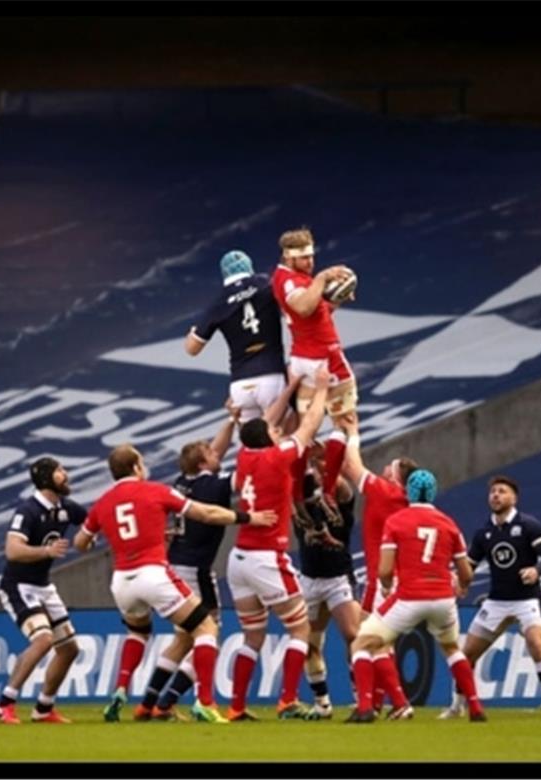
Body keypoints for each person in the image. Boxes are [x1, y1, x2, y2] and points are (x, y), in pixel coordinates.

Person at [73, 444, 277, 724]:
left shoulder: (103, 503)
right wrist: (247, 517)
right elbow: (206, 514)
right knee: (206, 628)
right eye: (141, 462)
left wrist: (111, 537)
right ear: (136, 467)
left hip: (121, 582)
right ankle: (205, 702)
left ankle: (124, 692)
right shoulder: (156, 490)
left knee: (140, 635)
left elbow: (80, 543)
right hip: (154, 575)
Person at [224, 365, 330, 721]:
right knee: (299, 628)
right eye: (272, 430)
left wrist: (290, 389)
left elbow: (261, 426)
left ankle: (237, 706)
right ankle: (287, 700)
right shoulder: (276, 456)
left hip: (238, 559)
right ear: (267, 438)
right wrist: (322, 390)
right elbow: (310, 424)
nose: (276, 428)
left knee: (252, 636)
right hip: (266, 556)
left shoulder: (244, 456)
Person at [344, 470, 484, 724]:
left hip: (409, 596)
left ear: (408, 492)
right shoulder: (448, 523)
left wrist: (386, 586)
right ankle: (475, 707)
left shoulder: (397, 521)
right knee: (452, 649)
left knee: (361, 643)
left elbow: (385, 570)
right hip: (442, 599)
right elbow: (466, 572)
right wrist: (462, 585)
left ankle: (365, 708)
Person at [137, 412, 239, 721]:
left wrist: (231, 421)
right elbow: (247, 469)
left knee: (183, 639)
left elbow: (214, 454)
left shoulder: (182, 482)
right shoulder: (214, 487)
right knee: (209, 634)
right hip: (196, 569)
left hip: (176, 564)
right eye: (211, 452)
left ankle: (149, 703)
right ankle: (175, 702)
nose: (217, 452)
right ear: (203, 463)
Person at [441, 475, 541, 720]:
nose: (496, 495)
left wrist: (535, 570)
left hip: (527, 600)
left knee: (536, 644)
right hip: (496, 601)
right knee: (467, 655)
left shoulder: (528, 525)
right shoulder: (484, 532)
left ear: (514, 497)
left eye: (502, 491)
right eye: (493, 492)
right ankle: (456, 706)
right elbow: (470, 565)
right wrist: (462, 583)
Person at [0, 458, 86, 725]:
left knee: (69, 649)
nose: (65, 474)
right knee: (43, 641)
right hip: (19, 586)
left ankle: (43, 708)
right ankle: (4, 703)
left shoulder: (65, 507)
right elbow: (12, 550)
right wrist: (46, 551)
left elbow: (94, 522)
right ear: (46, 478)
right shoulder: (28, 510)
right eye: (59, 471)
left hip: (44, 586)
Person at [270, 227, 356, 522]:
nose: (310, 263)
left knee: (306, 431)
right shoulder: (287, 280)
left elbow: (314, 313)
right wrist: (322, 279)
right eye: (304, 259)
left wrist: (336, 299)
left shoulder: (293, 277)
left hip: (303, 359)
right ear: (288, 258)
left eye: (311, 257)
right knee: (345, 425)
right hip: (325, 359)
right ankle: (329, 490)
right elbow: (304, 307)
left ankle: (299, 496)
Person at [338, 412, 414, 716]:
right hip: (399, 579)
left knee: (363, 640)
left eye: (390, 467)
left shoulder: (387, 492)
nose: (384, 469)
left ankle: (385, 703)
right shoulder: (403, 498)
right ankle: (383, 703)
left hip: (379, 578)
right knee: (381, 642)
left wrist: (352, 431)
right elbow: (348, 467)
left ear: (397, 478)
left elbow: (352, 466)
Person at [292, 453, 363, 719]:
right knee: (309, 642)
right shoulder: (298, 503)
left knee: (353, 635)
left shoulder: (339, 500)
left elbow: (344, 489)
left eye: (321, 471)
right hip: (309, 578)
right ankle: (322, 704)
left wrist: (328, 465)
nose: (316, 474)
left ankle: (361, 698)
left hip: (338, 577)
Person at [184, 250, 288, 422]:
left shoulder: (218, 302)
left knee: (253, 444)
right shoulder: (266, 284)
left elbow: (192, 349)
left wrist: (193, 331)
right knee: (284, 439)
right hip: (272, 376)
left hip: (240, 385)